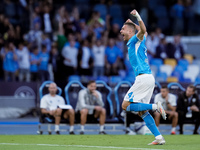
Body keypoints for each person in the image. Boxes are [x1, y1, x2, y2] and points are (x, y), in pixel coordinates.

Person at [120, 9, 166, 145]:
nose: (121, 31)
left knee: (125, 105)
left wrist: (137, 17)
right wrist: (133, 23)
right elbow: (144, 32)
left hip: (143, 78)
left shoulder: (133, 41)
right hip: (148, 78)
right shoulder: (141, 40)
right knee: (142, 111)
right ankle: (159, 138)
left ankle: (155, 106)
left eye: (123, 29)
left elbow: (143, 30)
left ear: (130, 32)